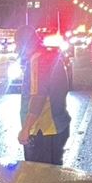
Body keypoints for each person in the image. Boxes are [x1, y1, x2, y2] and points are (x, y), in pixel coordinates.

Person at [16, 26, 71, 165]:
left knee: (39, 179)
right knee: (53, 177)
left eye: (18, 45)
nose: (17, 50)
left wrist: (26, 129)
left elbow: (38, 97)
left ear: (25, 44)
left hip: (42, 130)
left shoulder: (37, 61)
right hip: (57, 127)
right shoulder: (50, 57)